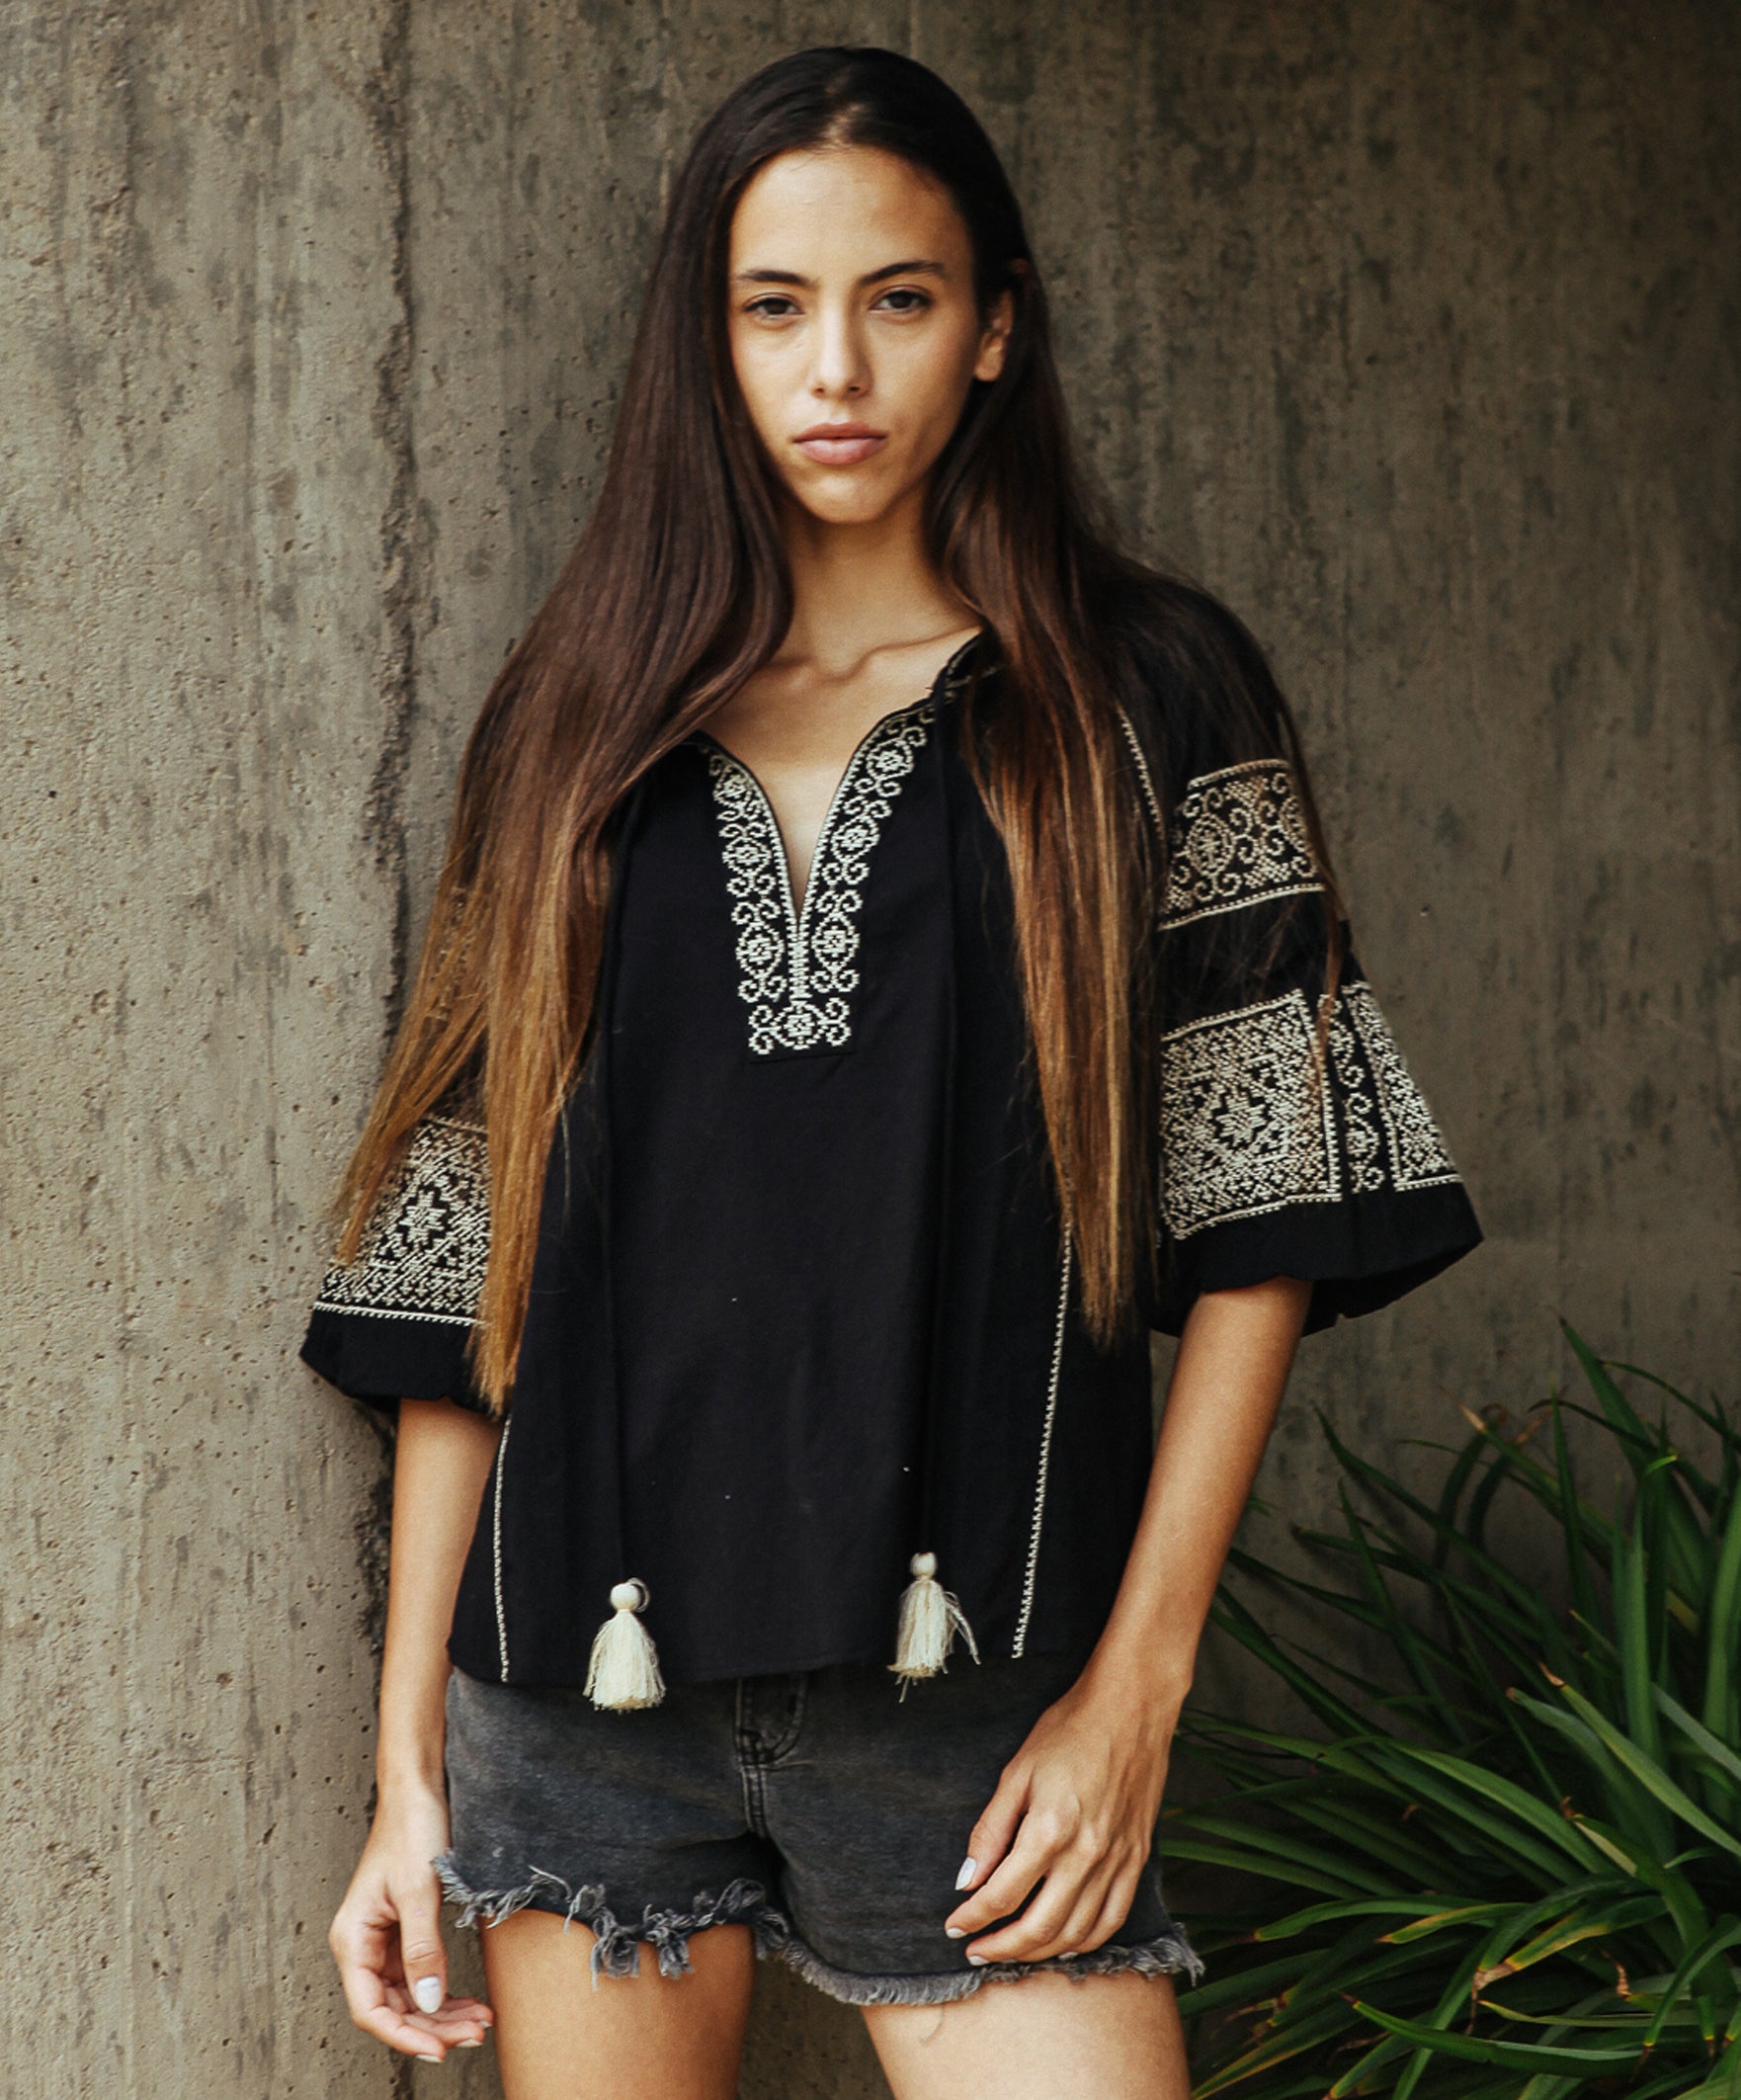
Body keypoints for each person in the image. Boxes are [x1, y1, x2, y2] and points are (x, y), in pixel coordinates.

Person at [303, 45, 1481, 2100]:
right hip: (584, 1698)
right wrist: (409, 1775)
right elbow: (460, 1268)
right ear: (710, 340)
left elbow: (1261, 1209)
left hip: (981, 1699)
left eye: (898, 299)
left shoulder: (1143, 696)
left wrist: (1135, 1692)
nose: (831, 367)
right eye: (772, 308)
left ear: (995, 323)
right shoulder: (573, 724)